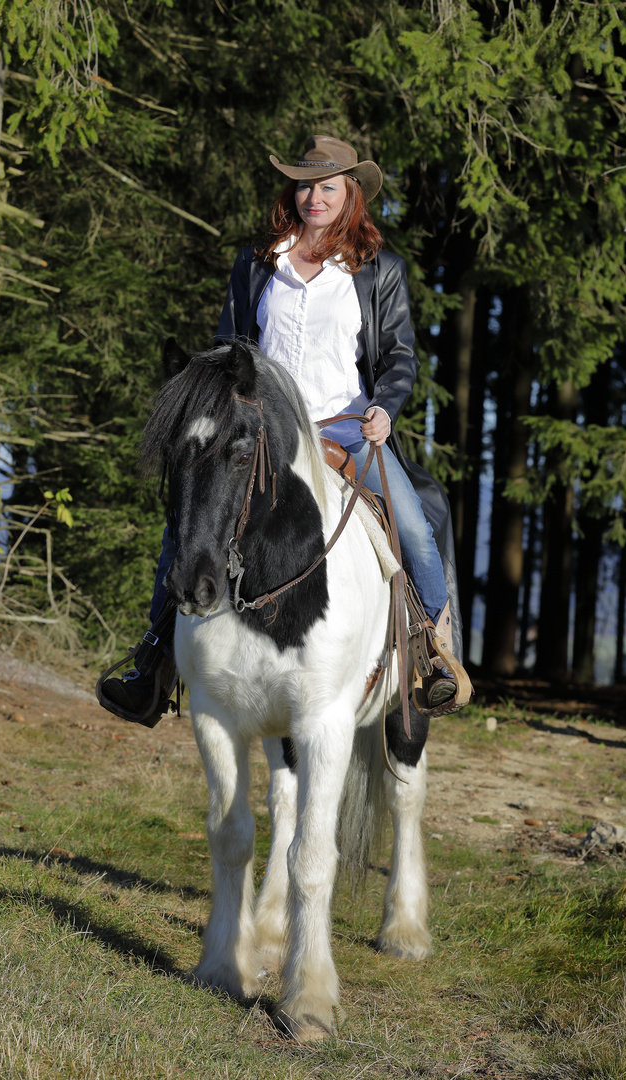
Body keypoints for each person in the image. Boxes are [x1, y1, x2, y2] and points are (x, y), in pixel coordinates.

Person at [100, 135, 459, 725]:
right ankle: (154, 661)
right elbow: (228, 346)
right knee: (189, 520)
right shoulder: (256, 263)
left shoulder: (379, 272)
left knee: (417, 527)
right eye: (305, 185)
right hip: (263, 429)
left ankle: (433, 655)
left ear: (351, 196)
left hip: (345, 428)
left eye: (328, 187)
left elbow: (399, 358)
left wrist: (385, 409)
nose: (313, 197)